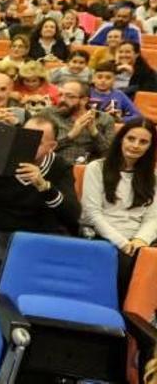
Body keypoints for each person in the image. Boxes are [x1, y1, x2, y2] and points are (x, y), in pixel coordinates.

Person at [0, 115, 81, 287]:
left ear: (52, 147)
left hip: (45, 231)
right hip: (3, 230)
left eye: (38, 142)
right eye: (25, 138)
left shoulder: (60, 166)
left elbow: (73, 213)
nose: (28, 146)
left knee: (72, 264)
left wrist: (44, 186)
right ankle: (2, 299)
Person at [81, 119, 157, 291]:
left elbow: (153, 218)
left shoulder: (154, 176)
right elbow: (92, 214)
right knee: (126, 262)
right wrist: (123, 243)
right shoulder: (96, 168)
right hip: (105, 235)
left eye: (143, 142)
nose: (136, 145)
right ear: (121, 139)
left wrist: (141, 240)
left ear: (150, 146)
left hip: (138, 240)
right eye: (131, 139)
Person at [45, 80, 115, 164]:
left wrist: (94, 132)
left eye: (70, 96)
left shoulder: (105, 119)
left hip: (89, 169)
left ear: (84, 100)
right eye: (60, 95)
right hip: (57, 167)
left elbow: (110, 155)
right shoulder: (48, 115)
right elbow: (39, 149)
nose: (62, 100)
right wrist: (70, 136)